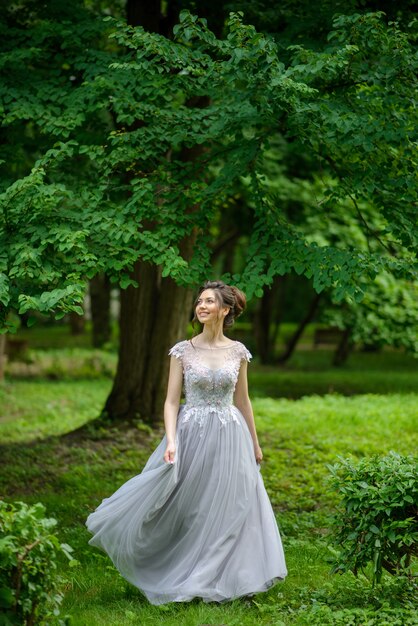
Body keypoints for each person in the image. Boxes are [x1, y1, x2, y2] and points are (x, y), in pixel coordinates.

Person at [86, 280, 287, 605]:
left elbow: (243, 400)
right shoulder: (182, 350)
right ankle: (176, 568)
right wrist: (171, 440)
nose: (201, 306)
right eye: (199, 301)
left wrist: (255, 442)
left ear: (225, 309)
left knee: (232, 504)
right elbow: (169, 401)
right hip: (191, 431)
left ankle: (230, 578)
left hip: (229, 434)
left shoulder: (238, 352)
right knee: (189, 504)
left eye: (209, 302)